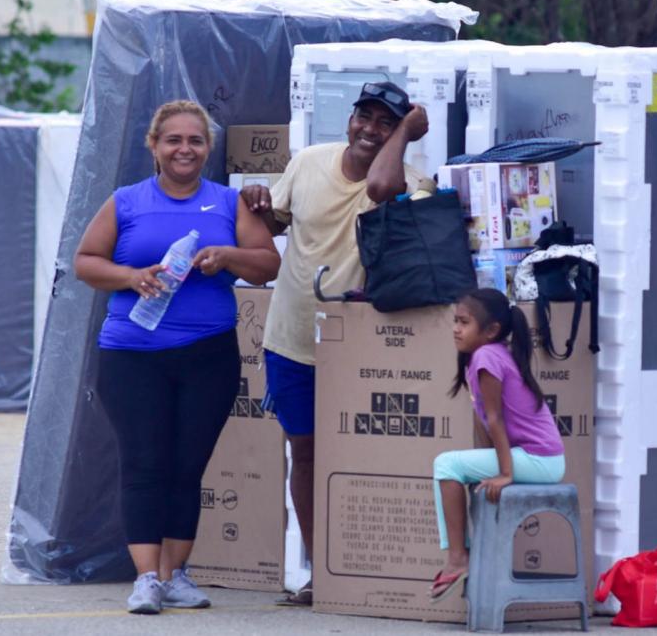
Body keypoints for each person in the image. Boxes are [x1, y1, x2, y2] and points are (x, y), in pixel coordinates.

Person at [74, 100, 280, 614]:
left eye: (194, 141)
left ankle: (177, 574)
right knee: (144, 463)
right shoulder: (125, 201)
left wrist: (228, 256)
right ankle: (147, 579)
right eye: (174, 140)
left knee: (188, 467)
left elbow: (267, 263)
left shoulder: (229, 203)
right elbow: (84, 262)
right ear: (155, 146)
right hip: (132, 355)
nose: (184, 149)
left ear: (207, 149)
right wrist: (130, 276)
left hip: (208, 355)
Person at [239, 81, 433, 605]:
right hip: (292, 339)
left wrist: (406, 137)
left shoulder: (413, 181)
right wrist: (258, 198)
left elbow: (379, 188)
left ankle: (365, 570)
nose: (369, 130)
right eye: (363, 118)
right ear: (348, 119)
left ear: (403, 134)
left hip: (364, 350)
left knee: (368, 457)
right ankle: (323, 571)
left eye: (385, 123)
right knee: (304, 452)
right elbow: (273, 219)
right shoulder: (308, 162)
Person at [428, 288, 567, 602]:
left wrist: (504, 473)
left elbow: (495, 420)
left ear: (490, 331)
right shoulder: (485, 355)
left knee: (445, 465)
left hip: (539, 460)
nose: (455, 328)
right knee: (455, 467)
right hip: (536, 458)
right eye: (455, 321)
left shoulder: (486, 356)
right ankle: (460, 554)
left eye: (464, 322)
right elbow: (486, 423)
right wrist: (483, 464)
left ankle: (457, 557)